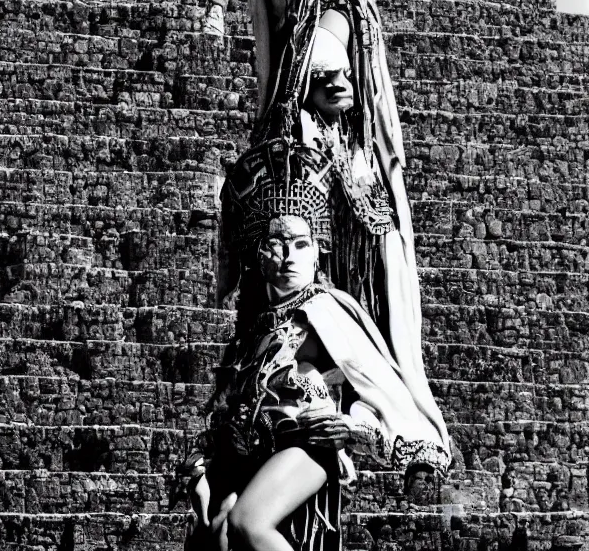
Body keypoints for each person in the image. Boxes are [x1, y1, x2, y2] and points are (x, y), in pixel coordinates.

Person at [201, 0, 448, 456]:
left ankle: (360, 380)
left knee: (369, 219)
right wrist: (217, 5)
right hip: (292, 36)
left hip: (335, 18)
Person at [184, 208, 449, 551]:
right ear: (259, 256)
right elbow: (236, 402)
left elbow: (373, 384)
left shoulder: (327, 312)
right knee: (219, 528)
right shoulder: (254, 330)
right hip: (257, 452)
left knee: (247, 522)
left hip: (307, 445)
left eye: (300, 244)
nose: (288, 256)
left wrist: (351, 427)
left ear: (316, 256)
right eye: (276, 244)